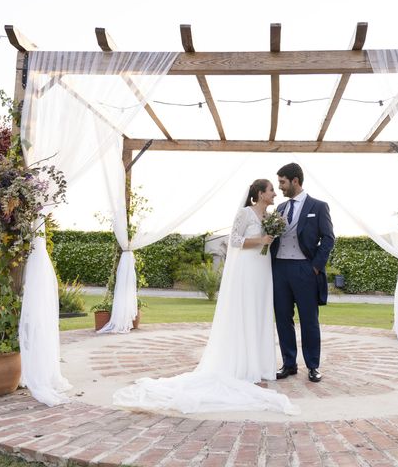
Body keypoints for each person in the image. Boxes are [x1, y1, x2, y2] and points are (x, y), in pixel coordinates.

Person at [113, 179, 299, 415]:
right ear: (260, 193)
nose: (274, 193)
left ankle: (260, 364)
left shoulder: (271, 218)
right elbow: (233, 241)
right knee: (245, 311)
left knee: (260, 312)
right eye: (271, 189)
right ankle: (243, 363)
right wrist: (261, 241)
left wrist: (269, 239)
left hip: (263, 271)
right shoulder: (246, 213)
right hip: (247, 269)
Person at [270, 163, 335, 383]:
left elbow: (328, 238)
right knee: (282, 318)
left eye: (282, 182)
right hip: (280, 269)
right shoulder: (279, 209)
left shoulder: (318, 206)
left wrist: (315, 267)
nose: (280, 187)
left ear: (295, 181)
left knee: (309, 320)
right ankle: (289, 364)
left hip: (305, 270)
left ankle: (313, 366)